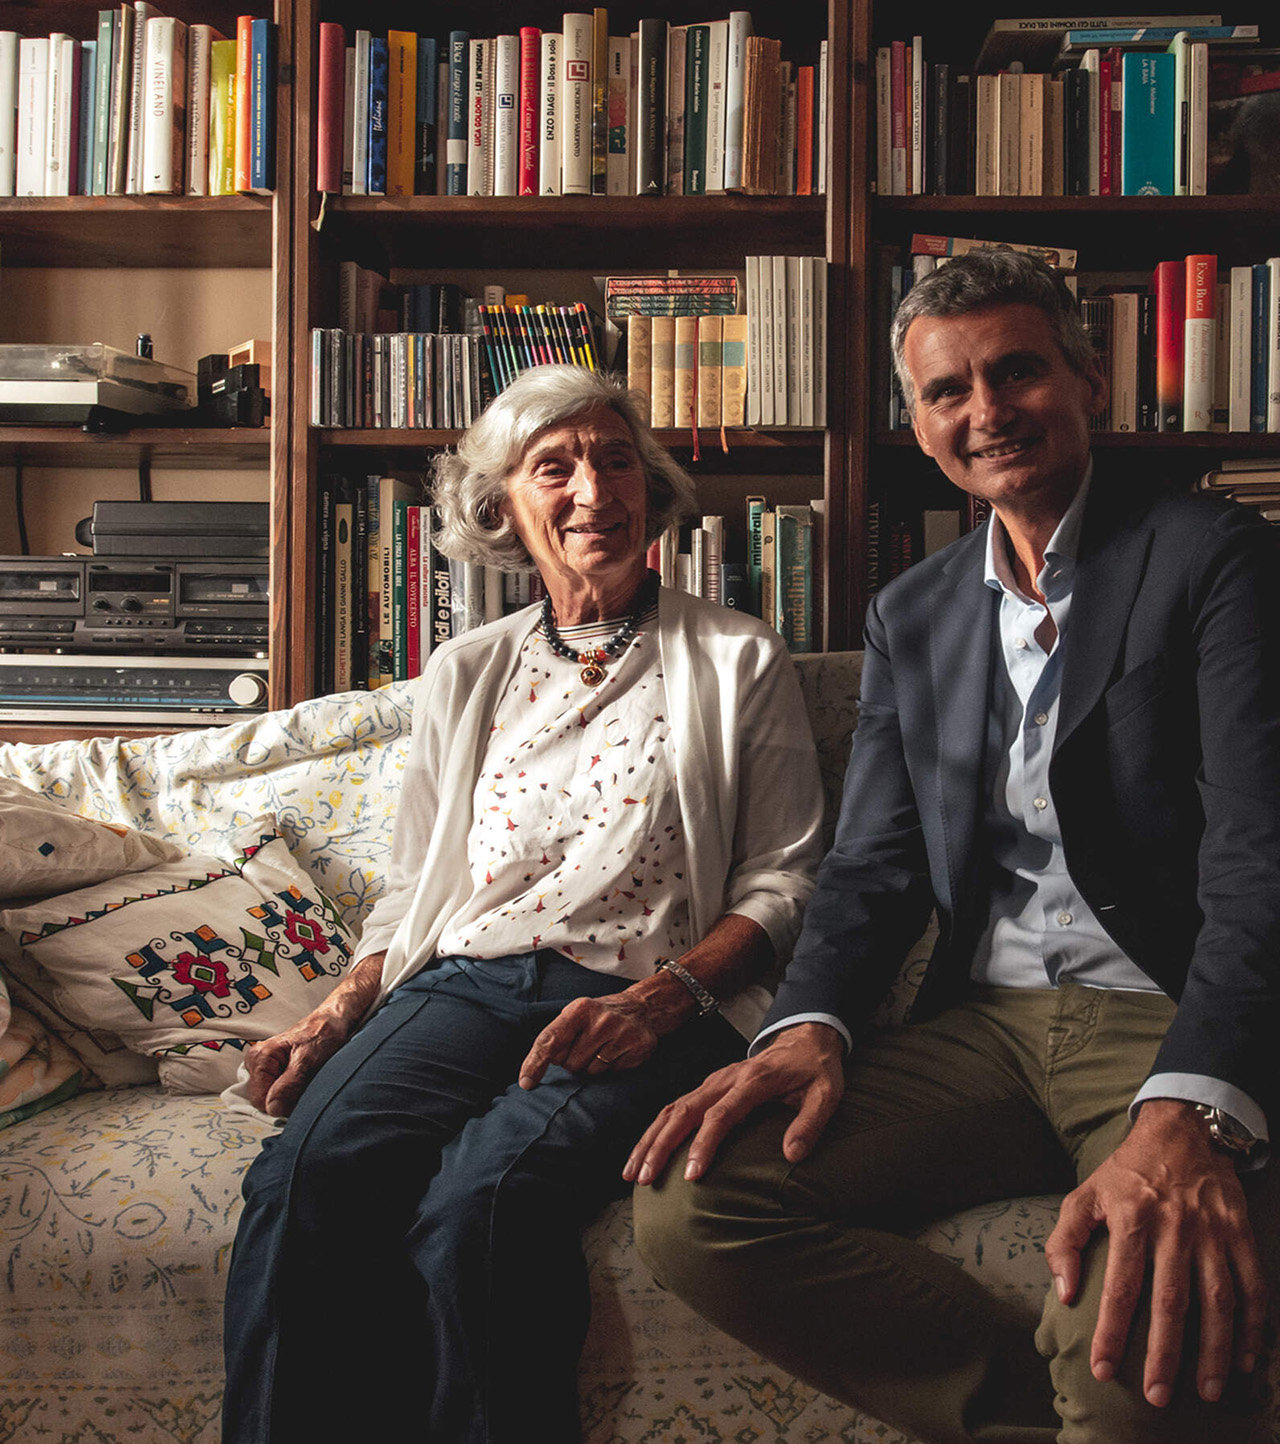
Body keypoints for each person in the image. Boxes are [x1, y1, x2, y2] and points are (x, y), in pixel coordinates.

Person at [628, 250, 1280, 1444]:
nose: (985, 413)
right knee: (693, 1205)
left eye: (1016, 370)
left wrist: (1191, 1105)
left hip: (1168, 1011)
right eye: (946, 392)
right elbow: (874, 863)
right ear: (917, 422)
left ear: (1086, 378)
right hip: (981, 1024)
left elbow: (1258, 856)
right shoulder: (914, 611)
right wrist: (806, 1023)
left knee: (1141, 1354)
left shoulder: (1213, 557)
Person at [219, 363, 824, 1444]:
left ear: (650, 488)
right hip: (463, 984)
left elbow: (783, 881)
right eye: (557, 466)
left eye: (615, 458)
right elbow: (413, 891)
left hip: (645, 994)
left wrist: (664, 1002)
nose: (594, 487)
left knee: (480, 1207)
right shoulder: (465, 669)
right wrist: (337, 1010)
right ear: (502, 507)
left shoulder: (736, 655)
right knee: (306, 1172)